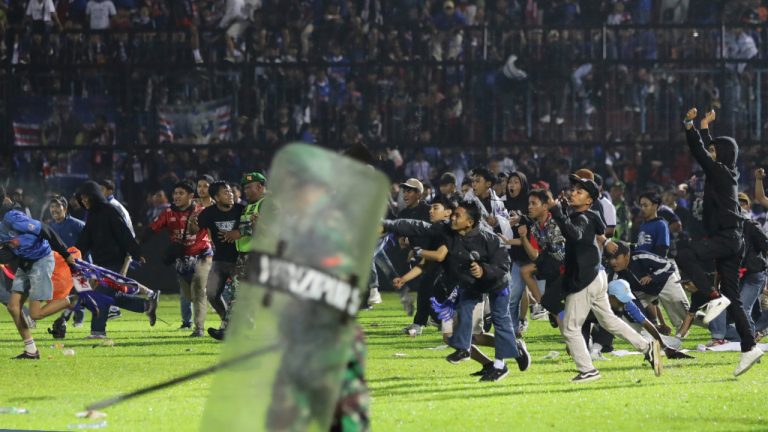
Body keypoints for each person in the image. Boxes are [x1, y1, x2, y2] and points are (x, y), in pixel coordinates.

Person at [383, 199, 530, 382]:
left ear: (469, 222)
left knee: (498, 322)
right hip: (468, 285)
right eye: (452, 214)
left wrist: (484, 270)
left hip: (496, 284)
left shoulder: (488, 238)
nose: (452, 217)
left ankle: (500, 364)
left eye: (456, 215)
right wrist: (388, 225)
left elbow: (503, 265)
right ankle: (466, 350)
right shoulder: (447, 230)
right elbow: (417, 226)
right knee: (462, 317)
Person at [676, 108, 763, 376]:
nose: (710, 154)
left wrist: (690, 125)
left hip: (727, 237)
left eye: (715, 151)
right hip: (730, 238)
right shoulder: (724, 172)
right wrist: (704, 127)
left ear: (722, 155)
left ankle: (712, 297)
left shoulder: (723, 173)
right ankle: (749, 347)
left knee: (685, 251)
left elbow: (701, 153)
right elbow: (708, 152)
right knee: (733, 297)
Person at [552, 174, 661, 382]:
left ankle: (588, 370)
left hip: (585, 278)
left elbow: (574, 234)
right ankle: (647, 347)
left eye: (579, 191)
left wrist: (557, 212)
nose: (573, 192)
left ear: (589, 200)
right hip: (597, 275)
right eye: (573, 189)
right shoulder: (586, 215)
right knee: (609, 321)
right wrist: (563, 211)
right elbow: (590, 231)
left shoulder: (583, 217)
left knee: (571, 328)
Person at [74, 181, 158, 339]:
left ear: (94, 196)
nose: (84, 202)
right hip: (101, 263)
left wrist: (136, 251)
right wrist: (74, 254)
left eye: (86, 198)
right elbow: (85, 238)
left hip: (115, 261)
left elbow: (123, 233)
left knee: (101, 295)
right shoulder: (92, 214)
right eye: (82, 199)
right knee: (112, 296)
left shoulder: (110, 210)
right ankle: (147, 305)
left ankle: (98, 332)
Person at [0, 186, 76, 359]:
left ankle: (73, 300)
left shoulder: (11, 217)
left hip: (40, 260)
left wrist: (65, 254)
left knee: (35, 314)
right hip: (26, 263)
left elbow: (44, 229)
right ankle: (31, 351)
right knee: (13, 307)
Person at [208, 172, 268, 340]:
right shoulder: (249, 206)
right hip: (244, 256)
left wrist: (239, 232)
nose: (245, 190)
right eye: (245, 187)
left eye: (249, 187)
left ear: (260, 186)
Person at [148, 181, 212, 337]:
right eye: (175, 193)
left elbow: (212, 229)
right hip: (182, 259)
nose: (176, 196)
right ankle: (211, 301)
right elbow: (151, 230)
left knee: (197, 290)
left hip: (203, 254)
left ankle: (199, 328)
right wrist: (136, 248)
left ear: (191, 196)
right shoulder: (167, 213)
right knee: (189, 296)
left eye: (180, 193)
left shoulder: (201, 211)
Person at [188, 181, 244, 338]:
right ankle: (228, 323)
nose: (230, 194)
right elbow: (194, 230)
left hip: (240, 260)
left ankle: (228, 328)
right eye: (225, 192)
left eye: (230, 191)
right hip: (219, 260)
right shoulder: (209, 213)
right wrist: (192, 221)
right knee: (212, 294)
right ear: (216, 198)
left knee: (237, 296)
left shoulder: (242, 209)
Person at [606, 241, 690, 332]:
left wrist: (652, 277)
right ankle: (649, 337)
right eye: (610, 258)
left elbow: (668, 265)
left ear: (627, 256)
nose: (612, 262)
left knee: (687, 314)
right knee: (629, 316)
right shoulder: (614, 275)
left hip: (665, 282)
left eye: (616, 258)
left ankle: (707, 323)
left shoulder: (641, 257)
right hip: (645, 291)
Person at [635, 191, 671, 257]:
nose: (642, 208)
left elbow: (662, 252)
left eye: (645, 205)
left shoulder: (661, 225)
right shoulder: (643, 225)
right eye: (641, 205)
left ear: (655, 206)